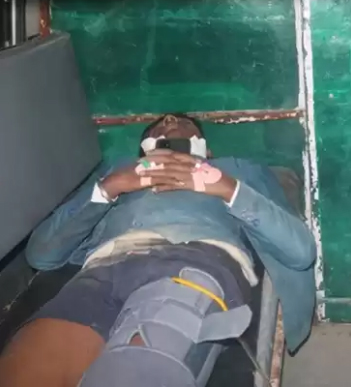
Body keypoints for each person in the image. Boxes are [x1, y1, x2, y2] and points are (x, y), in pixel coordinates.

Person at [0, 113, 317, 386]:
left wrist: (224, 187)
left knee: (138, 369)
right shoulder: (116, 171)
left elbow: (300, 250)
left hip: (194, 262)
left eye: (185, 123)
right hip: (99, 272)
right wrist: (110, 187)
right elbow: (42, 254)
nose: (170, 119)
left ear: (207, 150)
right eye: (159, 124)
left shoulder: (237, 170)